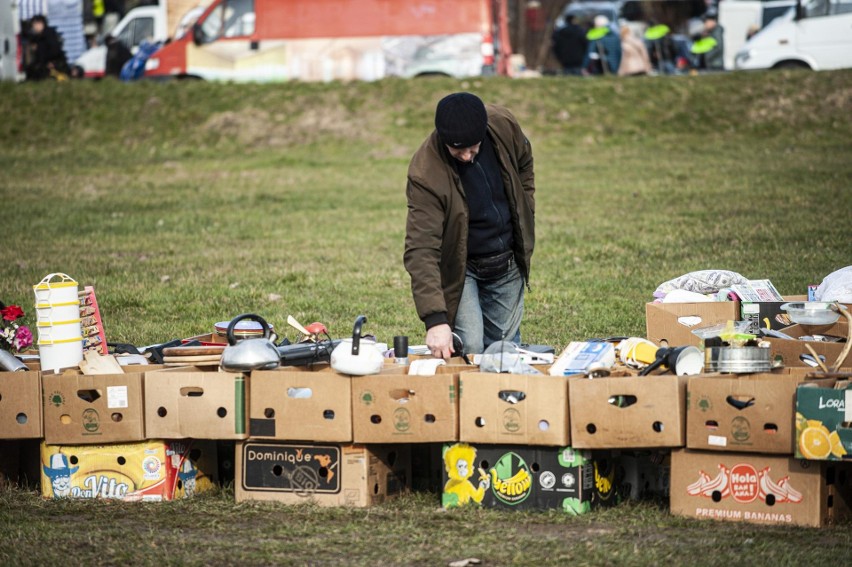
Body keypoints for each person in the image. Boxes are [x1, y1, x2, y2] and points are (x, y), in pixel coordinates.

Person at [404, 93, 535, 358]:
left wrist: (526, 206)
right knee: (471, 347)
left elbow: (524, 161)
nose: (465, 156)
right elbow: (421, 249)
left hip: (506, 260)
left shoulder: (503, 125)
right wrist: (435, 319)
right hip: (462, 268)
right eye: (457, 149)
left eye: (472, 147)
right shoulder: (425, 172)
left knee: (504, 352)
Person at [25, 14, 69, 81]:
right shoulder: (37, 38)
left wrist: (50, 61)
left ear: (41, 24)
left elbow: (54, 50)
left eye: (35, 24)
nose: (34, 27)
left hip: (54, 65)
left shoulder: (49, 34)